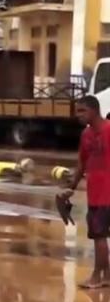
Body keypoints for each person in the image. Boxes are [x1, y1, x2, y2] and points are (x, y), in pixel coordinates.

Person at [60, 96, 110, 289]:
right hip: (95, 193)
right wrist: (70, 187)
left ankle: (97, 277)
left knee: (99, 236)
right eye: (77, 111)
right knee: (100, 236)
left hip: (106, 193)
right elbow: (82, 163)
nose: (78, 115)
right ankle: (106, 276)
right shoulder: (86, 135)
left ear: (94, 111)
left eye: (82, 111)